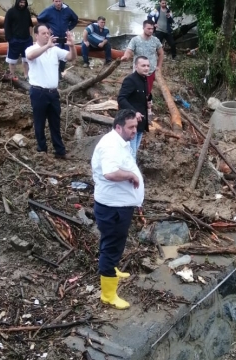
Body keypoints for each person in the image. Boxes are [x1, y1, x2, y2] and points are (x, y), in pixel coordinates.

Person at [91, 108, 145, 310]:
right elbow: (111, 173)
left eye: (135, 126)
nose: (134, 131)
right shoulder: (111, 145)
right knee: (111, 247)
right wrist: (131, 176)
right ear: (118, 127)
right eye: (131, 127)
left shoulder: (119, 142)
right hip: (112, 207)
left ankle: (112, 269)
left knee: (114, 242)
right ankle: (108, 295)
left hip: (119, 206)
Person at [25, 24, 77, 159]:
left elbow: (71, 57)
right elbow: (30, 56)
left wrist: (71, 45)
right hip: (38, 92)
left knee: (55, 122)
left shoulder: (55, 50)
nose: (47, 35)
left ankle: (59, 151)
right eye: (43, 33)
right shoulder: (31, 48)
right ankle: (42, 151)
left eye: (48, 33)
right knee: (39, 123)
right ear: (36, 35)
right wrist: (47, 46)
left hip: (53, 93)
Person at [117, 56, 151, 158]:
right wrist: (134, 112)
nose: (146, 68)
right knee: (130, 154)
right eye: (143, 65)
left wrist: (148, 103)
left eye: (148, 66)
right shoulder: (130, 80)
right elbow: (121, 98)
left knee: (133, 152)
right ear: (136, 66)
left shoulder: (145, 80)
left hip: (141, 123)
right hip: (130, 124)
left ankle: (130, 172)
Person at [121, 20, 163, 96]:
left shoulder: (156, 40)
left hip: (150, 71)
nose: (151, 31)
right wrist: (126, 57)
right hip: (138, 72)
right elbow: (129, 51)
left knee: (147, 91)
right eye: (148, 29)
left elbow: (161, 53)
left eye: (152, 29)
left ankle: (147, 104)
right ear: (143, 28)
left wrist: (159, 66)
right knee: (136, 91)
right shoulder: (135, 40)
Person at [36, 0, 78, 75]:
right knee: (53, 54)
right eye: (56, 1)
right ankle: (53, 72)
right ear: (53, 1)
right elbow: (39, 19)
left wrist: (69, 27)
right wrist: (47, 28)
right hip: (54, 37)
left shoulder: (67, 10)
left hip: (65, 37)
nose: (58, 3)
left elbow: (75, 19)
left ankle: (61, 71)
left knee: (65, 55)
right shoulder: (48, 10)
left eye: (59, 1)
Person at [3, 0, 33, 80]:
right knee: (12, 60)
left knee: (26, 59)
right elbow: (6, 26)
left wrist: (30, 37)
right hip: (14, 40)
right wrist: (9, 39)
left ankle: (26, 75)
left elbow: (30, 24)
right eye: (20, 2)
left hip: (26, 40)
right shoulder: (10, 12)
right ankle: (12, 76)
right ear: (17, 2)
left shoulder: (27, 12)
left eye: (23, 2)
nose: (22, 4)